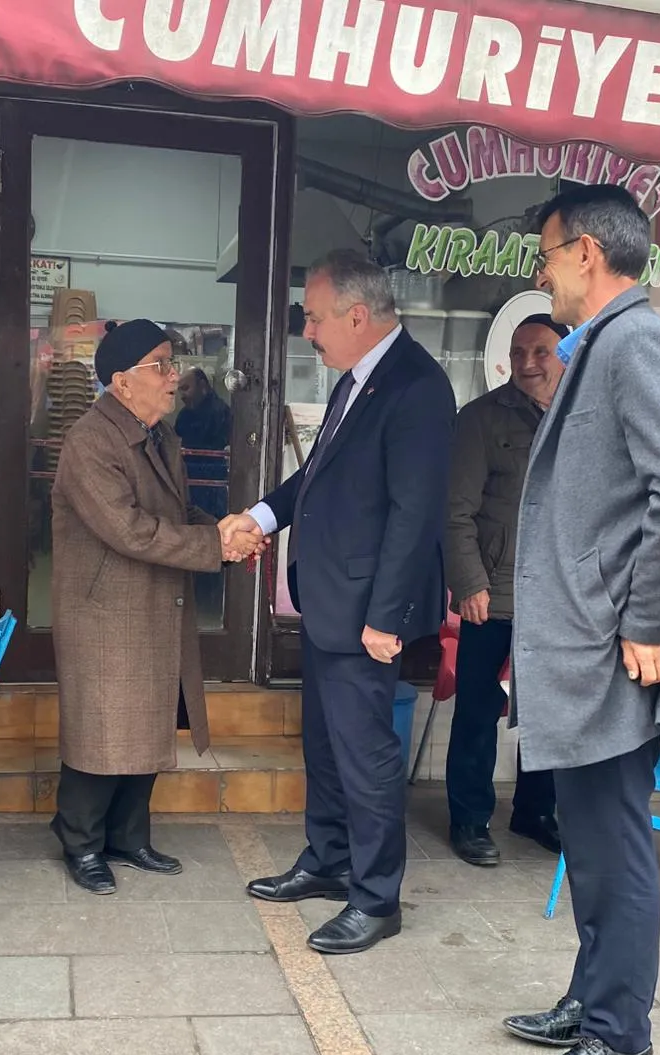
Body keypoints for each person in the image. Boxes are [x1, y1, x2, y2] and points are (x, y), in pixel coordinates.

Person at [502, 185, 660, 1055]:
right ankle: (592, 996)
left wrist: (644, 621)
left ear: (587, 254)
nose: (543, 273)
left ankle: (619, 1038)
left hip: (611, 651)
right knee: (591, 842)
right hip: (591, 647)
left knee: (614, 844)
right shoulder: (606, 346)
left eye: (549, 256)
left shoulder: (636, 342)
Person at [229, 250, 454, 955]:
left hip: (367, 615)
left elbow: (415, 514)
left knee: (366, 756)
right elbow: (316, 479)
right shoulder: (355, 380)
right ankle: (326, 862)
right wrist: (262, 517)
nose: (308, 332)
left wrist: (386, 619)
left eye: (315, 318)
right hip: (329, 605)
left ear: (358, 316)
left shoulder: (417, 387)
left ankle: (376, 896)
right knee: (325, 746)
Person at [50, 319, 263, 895]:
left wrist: (225, 533)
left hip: (152, 601)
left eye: (174, 364)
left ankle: (128, 837)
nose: (175, 377)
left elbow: (172, 517)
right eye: (162, 366)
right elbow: (130, 530)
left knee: (146, 721)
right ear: (122, 382)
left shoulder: (160, 437)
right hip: (105, 610)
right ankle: (80, 841)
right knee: (102, 730)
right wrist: (214, 545)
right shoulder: (91, 441)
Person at [442, 315, 569, 865]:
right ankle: (469, 819)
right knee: (477, 709)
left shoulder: (583, 416)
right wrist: (469, 582)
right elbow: (455, 513)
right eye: (519, 352)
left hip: (560, 598)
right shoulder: (481, 419)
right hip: (491, 594)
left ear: (565, 354)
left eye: (540, 350)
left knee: (547, 712)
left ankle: (535, 811)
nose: (527, 362)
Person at [174, 368, 235, 617]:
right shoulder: (185, 415)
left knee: (211, 536)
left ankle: (209, 602)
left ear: (203, 385)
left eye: (186, 388)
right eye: (180, 390)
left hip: (211, 485)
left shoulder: (220, 412)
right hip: (191, 483)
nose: (183, 396)